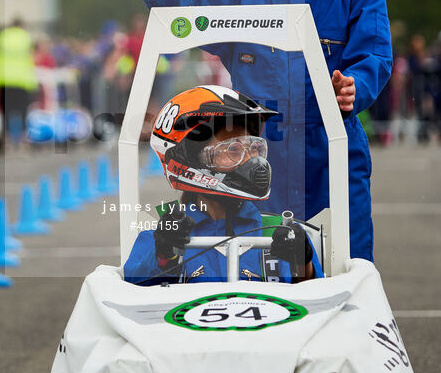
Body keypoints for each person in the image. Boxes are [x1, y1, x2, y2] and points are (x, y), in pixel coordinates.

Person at [134, 0, 389, 261]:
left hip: (333, 149)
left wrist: (355, 86)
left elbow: (375, 56)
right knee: (254, 273)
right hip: (252, 154)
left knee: (347, 269)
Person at [124, 86, 322, 285]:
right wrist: (164, 256)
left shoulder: (280, 232)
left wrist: (302, 263)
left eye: (254, 148)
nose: (252, 161)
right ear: (191, 157)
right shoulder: (161, 237)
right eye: (233, 150)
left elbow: (319, 300)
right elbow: (130, 296)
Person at [0, 19, 38, 151]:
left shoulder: (2, 36)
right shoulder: (25, 37)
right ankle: (24, 139)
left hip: (4, 78)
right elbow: (31, 57)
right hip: (22, 79)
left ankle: (5, 138)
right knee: (22, 110)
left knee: (6, 110)